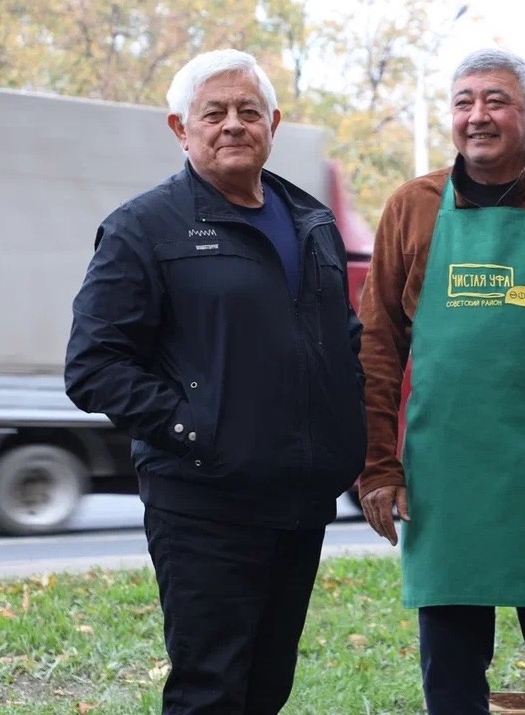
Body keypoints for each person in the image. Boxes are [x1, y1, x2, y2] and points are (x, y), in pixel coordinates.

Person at [64, 49, 366, 715]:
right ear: (180, 128)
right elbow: (93, 365)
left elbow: (342, 344)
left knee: (267, 686)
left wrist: (353, 451)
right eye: (214, 112)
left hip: (298, 501)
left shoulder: (311, 222)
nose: (233, 124)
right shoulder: (144, 229)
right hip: (204, 503)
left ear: (274, 123)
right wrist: (199, 432)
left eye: (248, 111)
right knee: (211, 689)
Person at [356, 48, 525, 715]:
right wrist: (378, 466)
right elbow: (377, 347)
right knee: (451, 670)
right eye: (464, 101)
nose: (478, 116)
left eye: (496, 101)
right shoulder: (410, 208)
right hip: (445, 477)